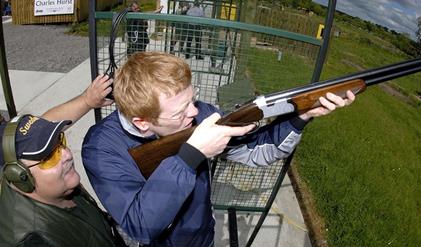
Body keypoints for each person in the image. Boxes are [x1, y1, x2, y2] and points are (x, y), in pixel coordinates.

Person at [82, 52, 355, 246]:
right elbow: (140, 226)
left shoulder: (200, 114)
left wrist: (301, 115)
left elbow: (259, 151)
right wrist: (190, 155)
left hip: (204, 236)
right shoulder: (102, 147)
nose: (195, 112)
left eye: (193, 99)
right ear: (142, 122)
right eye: (181, 111)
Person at [0, 75, 126, 246]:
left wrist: (87, 100)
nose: (66, 154)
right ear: (20, 176)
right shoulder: (33, 241)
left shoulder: (54, 183)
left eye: (60, 142)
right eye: (48, 157)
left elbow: (45, 124)